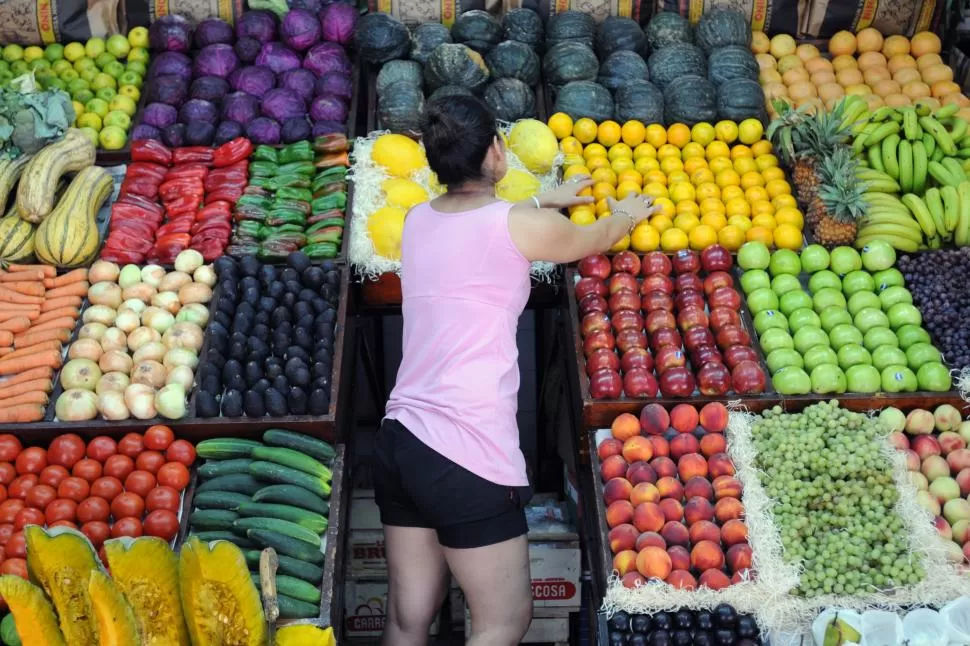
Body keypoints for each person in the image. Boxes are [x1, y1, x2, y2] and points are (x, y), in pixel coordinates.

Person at [373, 95, 656, 646]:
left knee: (409, 620)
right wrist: (625, 212)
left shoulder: (416, 220)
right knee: (503, 623)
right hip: (466, 453)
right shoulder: (520, 227)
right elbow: (592, 238)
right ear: (498, 153)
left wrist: (547, 200)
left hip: (401, 440)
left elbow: (481, 223)